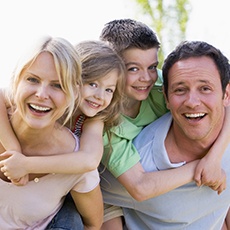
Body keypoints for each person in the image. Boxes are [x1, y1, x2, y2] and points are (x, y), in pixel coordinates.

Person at [99, 19, 230, 229]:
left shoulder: (159, 85)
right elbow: (137, 188)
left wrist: (213, 158)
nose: (145, 78)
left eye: (152, 66)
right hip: (124, 182)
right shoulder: (105, 124)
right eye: (133, 69)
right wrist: (199, 167)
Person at [0, 36, 103, 229]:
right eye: (32, 79)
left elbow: (93, 225)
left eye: (57, 85)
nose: (41, 94)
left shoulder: (76, 162)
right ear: (15, 82)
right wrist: (14, 148)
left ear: (74, 91)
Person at [0, 40, 125, 184]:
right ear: (72, 80)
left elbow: (90, 160)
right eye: (93, 84)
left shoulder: (94, 120)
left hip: (61, 185)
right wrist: (14, 150)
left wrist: (26, 165)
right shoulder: (39, 98)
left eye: (109, 90)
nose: (100, 96)